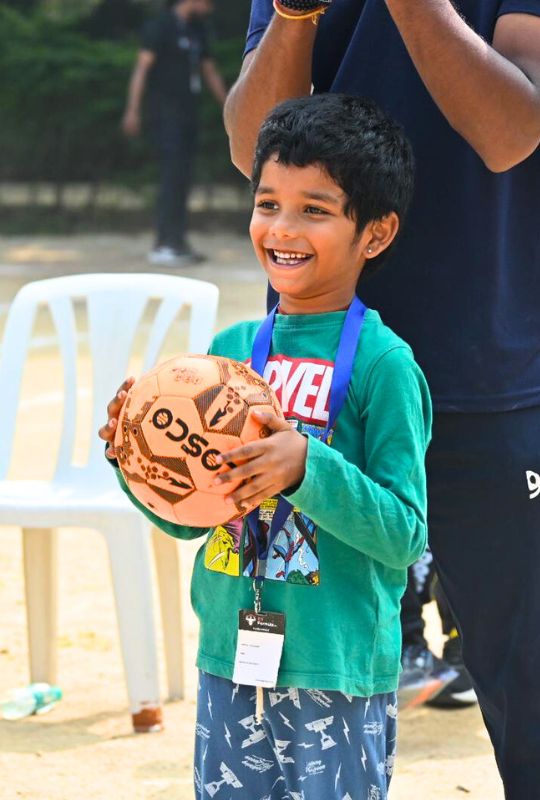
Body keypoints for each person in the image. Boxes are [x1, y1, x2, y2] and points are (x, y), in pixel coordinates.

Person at [223, 3, 540, 794]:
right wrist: (293, 14)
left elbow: (512, 131)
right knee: (303, 680)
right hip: (315, 372)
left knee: (527, 679)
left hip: (487, 368)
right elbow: (251, 145)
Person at [100, 93, 432, 800]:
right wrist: (135, 458)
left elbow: (405, 535)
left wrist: (308, 465)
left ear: (375, 234)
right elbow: (186, 521)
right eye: (268, 203)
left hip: (337, 668)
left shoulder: (384, 365)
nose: (282, 227)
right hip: (230, 657)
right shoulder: (224, 357)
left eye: (314, 210)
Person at [122, 0, 227, 265]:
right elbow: (142, 69)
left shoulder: (197, 29)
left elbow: (209, 71)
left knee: (183, 179)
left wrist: (230, 108)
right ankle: (164, 243)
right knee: (171, 178)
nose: (211, 7)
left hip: (188, 115)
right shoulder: (160, 26)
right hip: (165, 116)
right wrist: (133, 110)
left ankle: (178, 241)